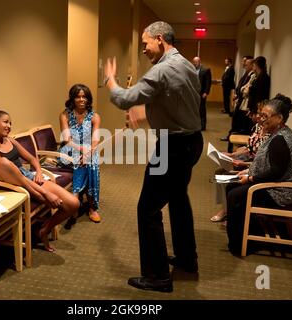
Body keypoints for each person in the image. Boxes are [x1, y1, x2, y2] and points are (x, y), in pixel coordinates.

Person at [104, 21, 203, 293]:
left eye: (146, 43)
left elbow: (125, 99)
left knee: (147, 209)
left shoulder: (163, 69)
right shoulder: (185, 64)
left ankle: (158, 277)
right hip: (191, 142)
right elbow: (178, 102)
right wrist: (150, 113)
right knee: (178, 199)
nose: (144, 49)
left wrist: (110, 80)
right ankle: (186, 259)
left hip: (172, 148)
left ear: (160, 39)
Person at [0, 110, 80, 252]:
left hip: (28, 178)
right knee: (5, 163)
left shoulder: (11, 141)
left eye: (10, 123)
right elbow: (16, 177)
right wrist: (46, 193)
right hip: (14, 186)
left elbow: (32, 159)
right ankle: (44, 196)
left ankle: (44, 229)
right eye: (5, 122)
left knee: (73, 204)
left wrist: (39, 173)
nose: (9, 126)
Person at [225, 94, 292, 256]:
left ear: (279, 118)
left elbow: (276, 172)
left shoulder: (281, 140)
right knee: (232, 187)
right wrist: (249, 171)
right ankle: (242, 235)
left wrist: (251, 178)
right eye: (261, 115)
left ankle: (240, 245)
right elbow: (270, 166)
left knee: (235, 195)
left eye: (265, 116)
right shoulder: (277, 134)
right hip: (274, 185)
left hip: (282, 192)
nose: (261, 119)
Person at [210, 102, 270, 223]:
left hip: (252, 164)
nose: (258, 116)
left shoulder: (270, 134)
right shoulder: (257, 128)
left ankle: (227, 211)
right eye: (258, 113)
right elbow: (248, 148)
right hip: (248, 159)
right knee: (219, 171)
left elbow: (261, 161)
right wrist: (232, 155)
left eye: (261, 114)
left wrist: (243, 164)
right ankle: (226, 208)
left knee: (224, 176)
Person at [58, 84, 102, 229]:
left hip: (89, 150)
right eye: (78, 96)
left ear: (88, 99)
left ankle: (78, 204)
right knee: (80, 162)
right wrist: (81, 149)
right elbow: (66, 139)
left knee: (91, 162)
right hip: (70, 149)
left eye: (84, 97)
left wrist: (88, 152)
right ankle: (89, 205)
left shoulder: (95, 116)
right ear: (73, 98)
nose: (81, 99)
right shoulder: (64, 115)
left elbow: (95, 140)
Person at [192, 56, 212, 131]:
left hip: (202, 93)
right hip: (194, 92)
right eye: (194, 62)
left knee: (202, 109)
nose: (195, 63)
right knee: (194, 109)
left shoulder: (206, 70)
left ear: (199, 62)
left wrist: (206, 92)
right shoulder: (192, 69)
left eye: (196, 62)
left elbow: (208, 82)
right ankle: (195, 124)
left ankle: (202, 126)